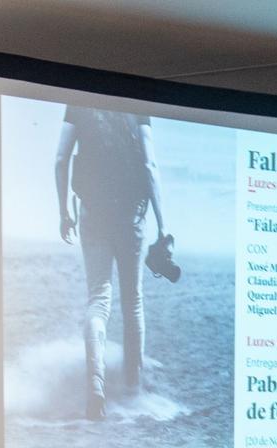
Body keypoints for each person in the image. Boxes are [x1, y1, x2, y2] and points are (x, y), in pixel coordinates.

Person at [55, 103, 167, 420]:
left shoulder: (78, 104)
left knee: (98, 299)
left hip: (92, 213)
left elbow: (60, 159)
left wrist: (63, 211)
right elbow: (149, 165)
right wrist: (163, 225)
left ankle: (96, 387)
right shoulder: (138, 108)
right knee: (132, 302)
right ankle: (133, 390)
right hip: (132, 216)